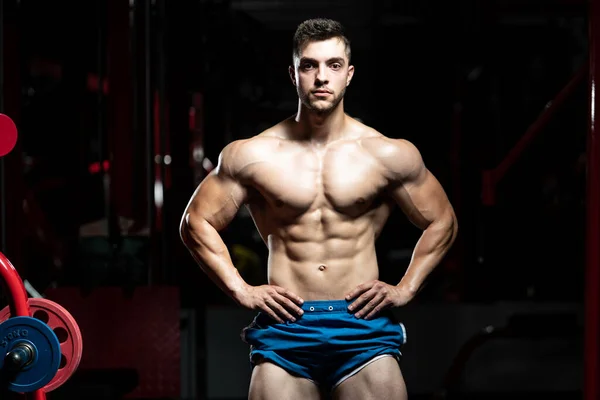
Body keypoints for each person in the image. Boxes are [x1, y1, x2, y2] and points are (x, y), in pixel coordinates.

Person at [180, 18, 458, 400]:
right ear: (293, 74)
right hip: (286, 326)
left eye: (334, 65)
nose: (321, 77)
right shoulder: (252, 155)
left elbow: (443, 220)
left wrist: (406, 288)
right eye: (309, 65)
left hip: (362, 327)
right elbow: (195, 222)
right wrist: (242, 290)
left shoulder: (388, 153)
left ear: (349, 74)